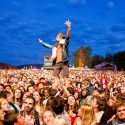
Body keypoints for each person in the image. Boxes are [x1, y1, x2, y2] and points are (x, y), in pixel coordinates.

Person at [38, 19, 71, 88]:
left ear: (61, 37)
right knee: (55, 77)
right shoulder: (55, 46)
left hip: (64, 62)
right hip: (57, 63)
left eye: (57, 37)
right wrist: (42, 42)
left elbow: (67, 37)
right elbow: (48, 45)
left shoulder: (65, 43)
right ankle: (55, 89)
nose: (56, 38)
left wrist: (69, 28)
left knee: (66, 78)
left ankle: (67, 90)